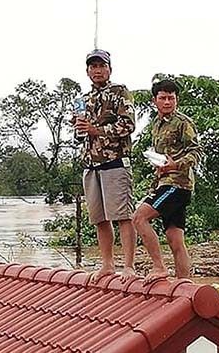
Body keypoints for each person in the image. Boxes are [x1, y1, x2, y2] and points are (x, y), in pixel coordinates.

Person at [74, 49, 137, 282]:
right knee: (99, 218)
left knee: (123, 215)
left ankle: (129, 266)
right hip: (90, 164)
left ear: (109, 68)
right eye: (93, 66)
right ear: (88, 71)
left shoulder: (120, 92)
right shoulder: (82, 99)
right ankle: (107, 264)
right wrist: (80, 129)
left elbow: (128, 125)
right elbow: (79, 135)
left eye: (101, 66)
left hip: (115, 162)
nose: (97, 70)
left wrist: (96, 130)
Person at [132, 79, 202, 284]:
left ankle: (159, 267)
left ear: (176, 100)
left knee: (139, 218)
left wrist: (176, 165)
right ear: (155, 101)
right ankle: (184, 285)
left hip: (177, 184)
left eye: (171, 98)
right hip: (164, 183)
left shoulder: (183, 122)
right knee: (175, 240)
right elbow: (161, 158)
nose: (167, 102)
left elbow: (196, 151)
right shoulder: (156, 125)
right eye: (163, 98)